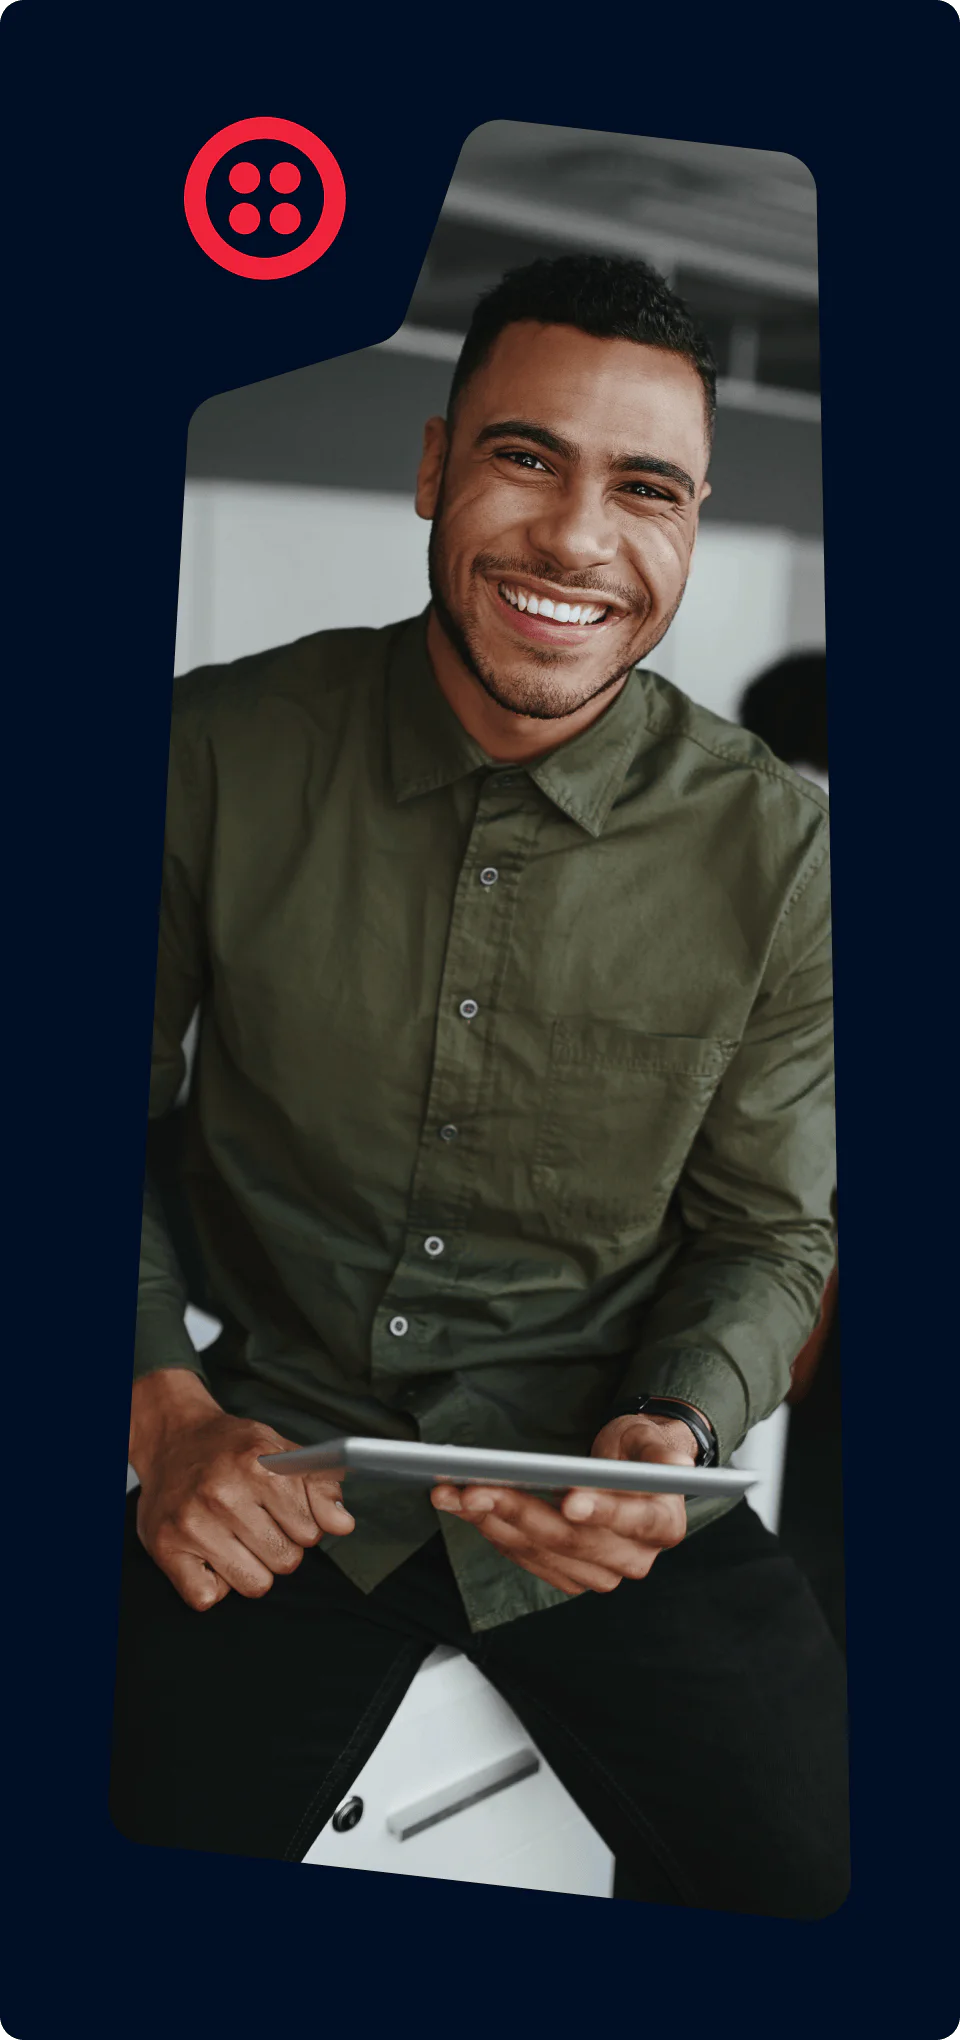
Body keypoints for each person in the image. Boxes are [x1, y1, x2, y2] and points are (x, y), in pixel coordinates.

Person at [111, 254, 849, 1917]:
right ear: (435, 467)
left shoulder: (784, 851)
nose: (579, 539)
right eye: (527, 457)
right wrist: (164, 1409)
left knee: (839, 1898)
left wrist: (676, 1427)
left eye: (645, 487)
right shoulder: (203, 753)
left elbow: (771, 1235)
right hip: (269, 1463)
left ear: (693, 518)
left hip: (606, 1492)